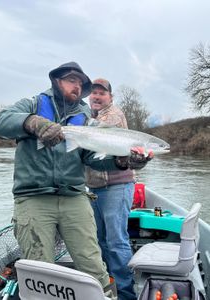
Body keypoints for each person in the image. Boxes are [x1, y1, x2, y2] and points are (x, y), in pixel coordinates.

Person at [0, 62, 149, 299]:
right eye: (71, 80)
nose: (77, 86)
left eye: (80, 83)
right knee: (39, 270)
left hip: (74, 196)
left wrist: (122, 162)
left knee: (93, 264)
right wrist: (31, 122)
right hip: (33, 197)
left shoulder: (84, 116)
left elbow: (92, 159)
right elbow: (1, 123)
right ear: (56, 81)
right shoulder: (33, 104)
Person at [86, 78, 153, 300]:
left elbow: (94, 131)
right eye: (93, 93)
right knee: (101, 240)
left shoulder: (112, 115)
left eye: (101, 94)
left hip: (117, 185)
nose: (96, 96)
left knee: (116, 241)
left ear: (110, 98)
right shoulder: (89, 117)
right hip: (95, 187)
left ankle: (125, 294)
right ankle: (109, 285)